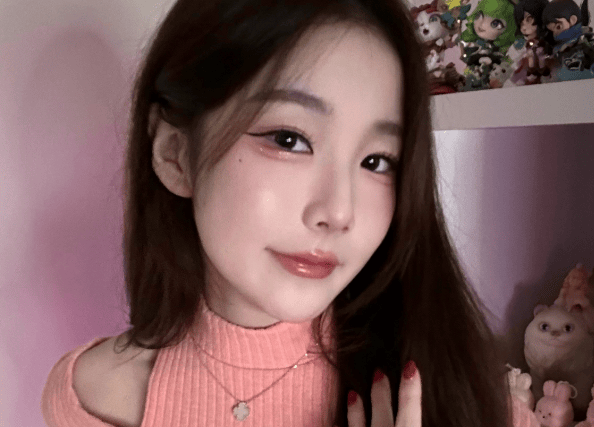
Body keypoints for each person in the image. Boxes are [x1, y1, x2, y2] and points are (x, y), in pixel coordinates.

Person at [41, 0, 517, 426]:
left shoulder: (455, 391)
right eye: (289, 139)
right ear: (175, 155)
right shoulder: (96, 399)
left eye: (377, 161)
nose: (338, 212)